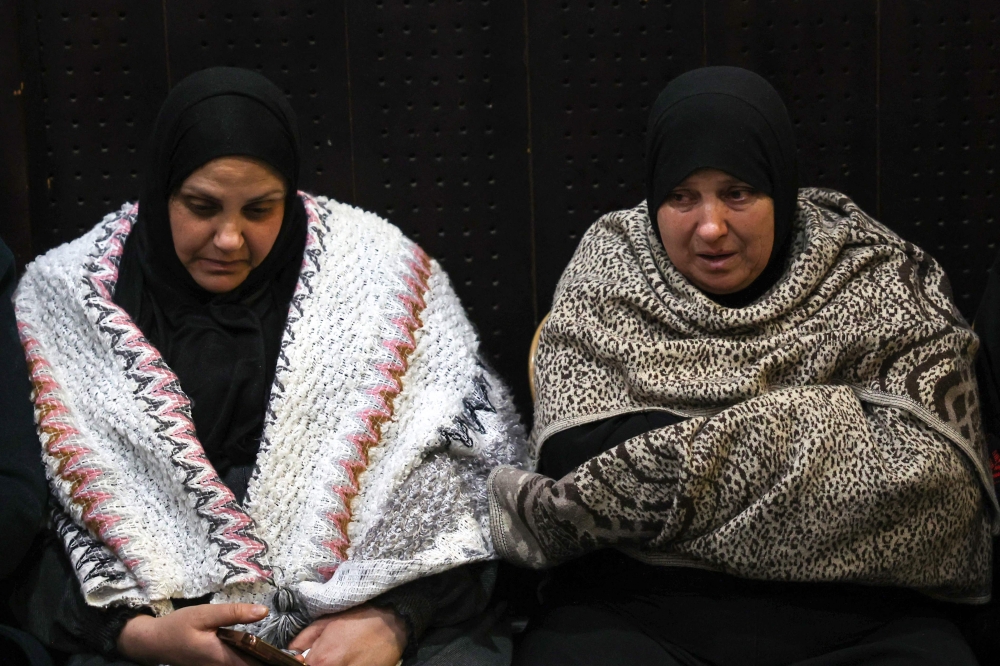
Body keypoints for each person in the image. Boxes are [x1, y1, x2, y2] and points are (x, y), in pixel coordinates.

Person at [13, 67, 526, 666]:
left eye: (260, 209)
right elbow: (36, 517)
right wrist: (136, 636)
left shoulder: (383, 278)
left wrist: (394, 619)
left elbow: (470, 482)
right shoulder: (67, 302)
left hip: (371, 621)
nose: (229, 239)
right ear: (160, 191)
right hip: (143, 631)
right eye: (201, 206)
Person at [488, 66, 995, 665]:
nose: (710, 227)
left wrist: (672, 457)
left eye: (738, 193)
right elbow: (574, 455)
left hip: (859, 620)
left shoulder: (872, 271)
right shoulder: (613, 267)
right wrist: (826, 428)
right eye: (681, 196)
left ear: (779, 185)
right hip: (638, 615)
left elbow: (932, 481)